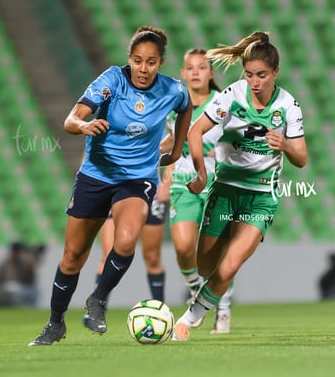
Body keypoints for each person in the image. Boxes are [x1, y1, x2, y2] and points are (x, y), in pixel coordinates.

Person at [28, 25, 192, 346]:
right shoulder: (111, 81)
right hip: (97, 175)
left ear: (161, 63)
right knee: (73, 256)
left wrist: (175, 148)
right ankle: (55, 323)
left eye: (151, 62)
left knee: (127, 239)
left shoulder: (173, 90)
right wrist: (85, 125)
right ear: (129, 59)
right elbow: (71, 120)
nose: (143, 69)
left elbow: (185, 109)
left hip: (137, 178)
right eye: (137, 60)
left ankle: (98, 299)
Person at [172, 31, 307, 341]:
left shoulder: (288, 106)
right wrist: (201, 175)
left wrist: (285, 144)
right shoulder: (232, 95)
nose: (255, 81)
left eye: (262, 75)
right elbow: (194, 132)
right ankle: (208, 296)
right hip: (225, 190)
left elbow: (302, 158)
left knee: (230, 265)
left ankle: (190, 317)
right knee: (206, 266)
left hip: (260, 197)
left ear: (276, 72)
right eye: (249, 75)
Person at [162, 48, 233, 333]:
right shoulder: (176, 104)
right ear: (182, 73)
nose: (195, 72)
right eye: (190, 67)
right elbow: (170, 140)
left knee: (217, 251)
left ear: (210, 73)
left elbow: (232, 140)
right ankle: (195, 290)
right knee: (182, 246)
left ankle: (224, 310)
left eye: (201, 67)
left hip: (219, 181)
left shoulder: (223, 102)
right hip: (184, 181)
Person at [93, 181, 169, 303]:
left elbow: (172, 162)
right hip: (118, 189)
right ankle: (96, 309)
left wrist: (166, 184)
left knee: (152, 257)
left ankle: (160, 308)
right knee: (108, 254)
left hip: (152, 191)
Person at [0, 241, 45, 307]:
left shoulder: (25, 263)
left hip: (22, 291)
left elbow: (31, 278)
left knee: (35, 292)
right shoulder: (5, 264)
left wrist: (35, 254)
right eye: (16, 251)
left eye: (19, 251)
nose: (17, 253)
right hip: (7, 292)